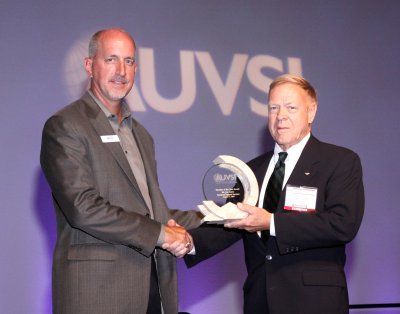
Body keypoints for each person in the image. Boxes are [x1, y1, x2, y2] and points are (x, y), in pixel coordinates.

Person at [40, 28, 202, 314]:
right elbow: (82, 207)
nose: (121, 71)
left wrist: (221, 215)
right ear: (90, 65)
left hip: (151, 290)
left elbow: (153, 213)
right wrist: (161, 234)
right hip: (97, 294)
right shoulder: (66, 125)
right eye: (111, 59)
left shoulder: (142, 135)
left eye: (128, 61)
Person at [184, 74, 364, 314]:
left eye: (291, 107)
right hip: (260, 301)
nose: (281, 116)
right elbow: (228, 223)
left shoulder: (339, 161)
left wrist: (271, 222)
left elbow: (343, 224)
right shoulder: (250, 171)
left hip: (315, 303)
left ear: (311, 112)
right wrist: (187, 242)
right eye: (273, 108)